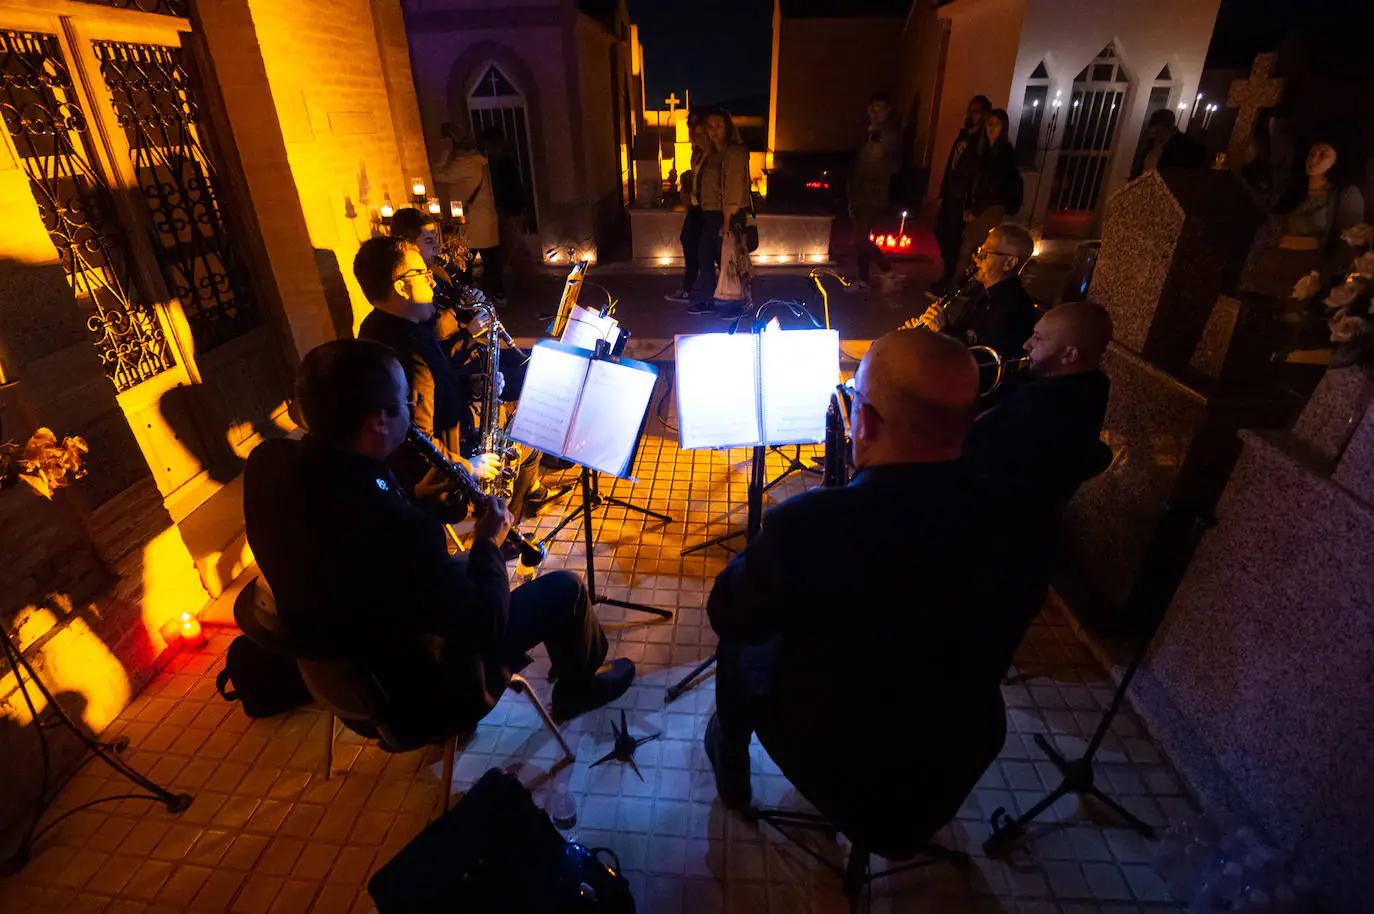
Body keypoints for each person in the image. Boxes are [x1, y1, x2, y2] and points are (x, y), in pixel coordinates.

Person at [704, 331, 1015, 854]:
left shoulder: (806, 527)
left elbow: (727, 613)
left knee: (738, 648)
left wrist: (766, 547)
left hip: (843, 759)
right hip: (958, 748)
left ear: (863, 421)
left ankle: (730, 766)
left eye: (853, 398)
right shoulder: (1018, 518)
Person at [243, 339, 635, 743]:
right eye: (405, 403)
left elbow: (358, 546)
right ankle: (577, 690)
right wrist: (488, 543)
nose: (413, 413)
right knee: (565, 592)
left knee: (465, 567)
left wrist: (416, 502)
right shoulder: (401, 529)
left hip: (341, 676)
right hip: (420, 695)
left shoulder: (269, 464)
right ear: (378, 422)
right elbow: (487, 624)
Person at [964, 302, 1113, 506]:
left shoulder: (1049, 408)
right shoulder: (1075, 384)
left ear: (1069, 355)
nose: (1026, 344)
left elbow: (970, 455)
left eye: (1038, 339)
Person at [910, 223, 1040, 372]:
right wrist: (932, 329)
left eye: (985, 253)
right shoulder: (982, 293)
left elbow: (982, 364)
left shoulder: (1014, 308)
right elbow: (963, 337)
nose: (977, 258)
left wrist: (942, 331)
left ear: (1009, 263)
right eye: (979, 250)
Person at [686, 109, 752, 317]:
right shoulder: (710, 154)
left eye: (719, 125)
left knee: (731, 261)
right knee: (705, 257)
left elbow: (733, 187)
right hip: (711, 214)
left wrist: (727, 221)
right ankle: (709, 299)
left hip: (728, 215)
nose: (714, 130)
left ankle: (739, 305)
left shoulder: (733, 153)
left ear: (728, 127)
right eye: (710, 126)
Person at [433, 123, 505, 304]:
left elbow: (437, 174)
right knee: (491, 261)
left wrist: (443, 155)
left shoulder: (463, 164)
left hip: (470, 223)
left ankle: (468, 297)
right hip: (485, 220)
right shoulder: (480, 162)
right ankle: (497, 294)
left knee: (465, 261)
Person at [931, 95, 992, 296]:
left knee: (955, 239)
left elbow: (978, 175)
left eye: (975, 111)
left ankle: (954, 280)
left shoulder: (982, 143)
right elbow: (953, 166)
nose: (969, 115)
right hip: (951, 195)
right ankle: (949, 273)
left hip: (963, 199)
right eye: (969, 110)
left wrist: (971, 205)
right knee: (941, 232)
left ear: (983, 115)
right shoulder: (963, 137)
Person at [954, 109, 1022, 281]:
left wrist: (975, 211)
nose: (991, 128)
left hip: (991, 206)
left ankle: (959, 285)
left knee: (971, 247)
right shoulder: (984, 151)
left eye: (996, 125)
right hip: (980, 205)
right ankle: (965, 283)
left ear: (1003, 127)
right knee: (969, 246)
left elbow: (993, 186)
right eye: (988, 124)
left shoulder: (1004, 153)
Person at [849, 91, 901, 291]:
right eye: (872, 109)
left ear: (888, 111)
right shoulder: (867, 132)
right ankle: (864, 278)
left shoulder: (891, 136)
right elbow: (858, 165)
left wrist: (883, 157)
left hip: (875, 195)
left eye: (879, 109)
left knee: (862, 237)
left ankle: (884, 269)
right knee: (861, 238)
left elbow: (896, 165)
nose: (875, 113)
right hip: (860, 194)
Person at [664, 113, 709, 303]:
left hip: (707, 208)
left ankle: (695, 290)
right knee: (690, 242)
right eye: (691, 129)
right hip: (696, 206)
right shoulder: (697, 152)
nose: (693, 134)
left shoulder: (711, 154)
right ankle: (689, 287)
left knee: (702, 249)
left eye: (697, 130)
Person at [1131, 109, 1207, 179]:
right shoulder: (1151, 142)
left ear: (1170, 127)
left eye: (1158, 131)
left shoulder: (1185, 146)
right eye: (1153, 131)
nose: (1155, 135)